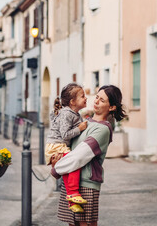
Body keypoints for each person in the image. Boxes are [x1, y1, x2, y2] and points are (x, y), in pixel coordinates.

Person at [51, 85, 126, 226]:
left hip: (86, 183)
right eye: (97, 97)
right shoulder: (84, 121)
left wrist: (56, 169)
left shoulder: (103, 129)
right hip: (71, 181)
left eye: (102, 100)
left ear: (112, 107)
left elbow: (79, 156)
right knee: (72, 224)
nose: (96, 101)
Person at [45, 83, 89, 213]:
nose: (86, 98)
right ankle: (73, 193)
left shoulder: (74, 113)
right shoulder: (66, 114)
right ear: (73, 101)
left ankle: (72, 201)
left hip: (60, 145)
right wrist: (79, 128)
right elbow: (65, 135)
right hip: (56, 146)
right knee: (73, 164)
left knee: (68, 168)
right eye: (82, 96)